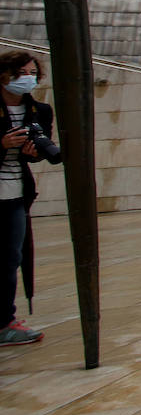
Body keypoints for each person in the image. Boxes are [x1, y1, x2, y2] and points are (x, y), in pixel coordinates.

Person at [2, 50, 58, 347]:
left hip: (14, 195)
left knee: (11, 258)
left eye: (33, 73)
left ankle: (5, 321)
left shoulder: (39, 111)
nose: (28, 78)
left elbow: (41, 153)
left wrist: (34, 154)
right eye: (22, 72)